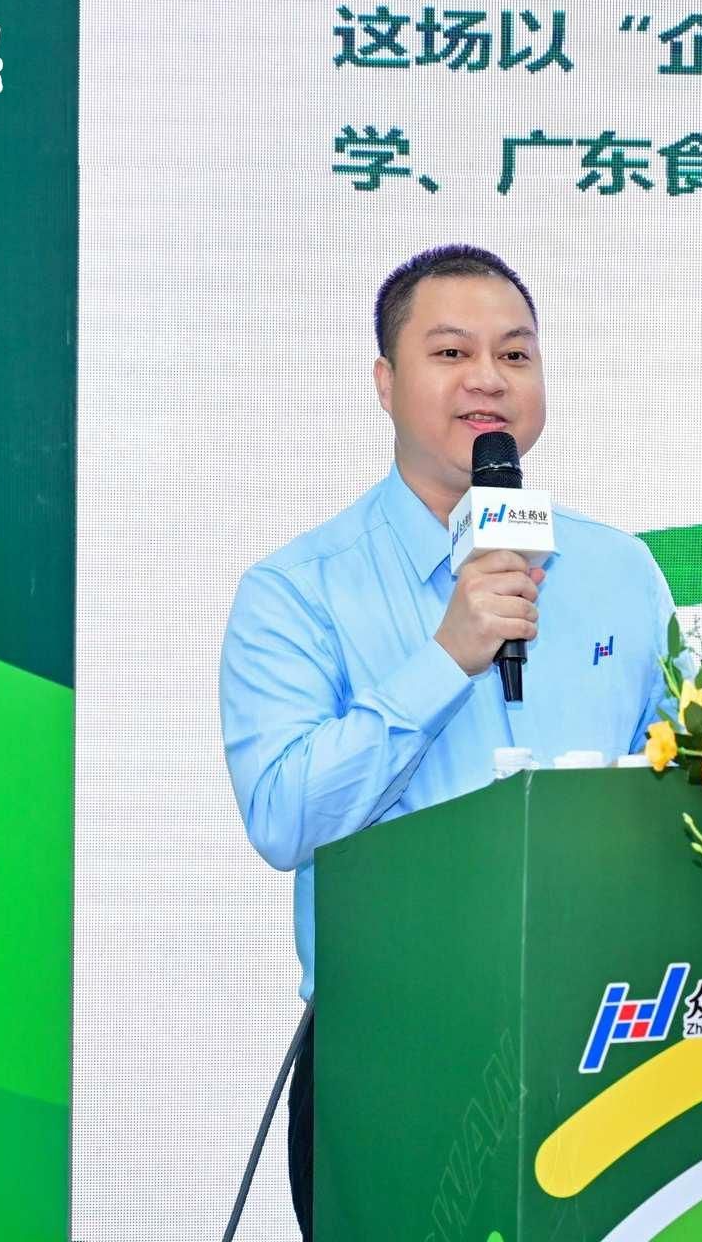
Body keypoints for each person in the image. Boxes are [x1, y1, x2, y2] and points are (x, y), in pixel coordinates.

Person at [218, 244, 676, 1240]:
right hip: (397, 1059)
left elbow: (677, 791)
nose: (488, 379)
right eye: (452, 352)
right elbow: (283, 817)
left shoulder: (621, 571)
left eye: (515, 354)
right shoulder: (298, 591)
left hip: (614, 1045)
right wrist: (445, 657)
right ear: (385, 383)